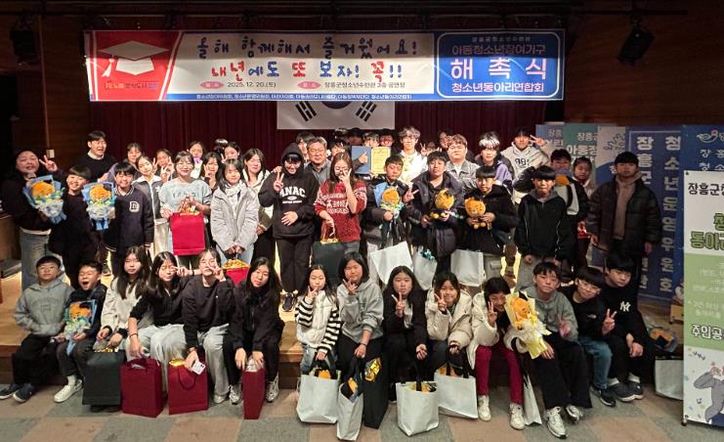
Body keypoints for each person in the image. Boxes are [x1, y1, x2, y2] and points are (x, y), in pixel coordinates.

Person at [520, 262, 590, 439]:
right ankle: (552, 408)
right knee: (547, 356)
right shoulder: (523, 296)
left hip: (555, 335)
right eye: (543, 277)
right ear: (534, 278)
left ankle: (574, 401)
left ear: (558, 284)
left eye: (553, 279)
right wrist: (540, 343)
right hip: (529, 339)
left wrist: (567, 330)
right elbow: (521, 327)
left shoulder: (562, 300)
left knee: (576, 350)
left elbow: (573, 331)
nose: (548, 282)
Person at [0, 256, 73, 403]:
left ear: (58, 271)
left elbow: (72, 312)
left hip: (58, 334)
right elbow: (19, 314)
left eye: (51, 267)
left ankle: (32, 385)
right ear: (36, 272)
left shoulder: (67, 290)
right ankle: (18, 382)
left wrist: (63, 330)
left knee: (50, 356)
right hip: (37, 331)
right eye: (42, 268)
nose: (47, 270)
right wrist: (34, 326)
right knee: (21, 354)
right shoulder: (29, 292)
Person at [86, 246, 150, 411]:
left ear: (143, 262)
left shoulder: (148, 283)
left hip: (138, 328)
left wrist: (122, 332)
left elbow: (143, 315)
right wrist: (107, 327)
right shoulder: (116, 282)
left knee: (126, 346)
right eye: (128, 261)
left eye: (136, 261)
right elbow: (108, 309)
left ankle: (123, 394)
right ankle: (102, 396)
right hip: (116, 326)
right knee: (99, 346)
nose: (131, 265)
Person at [587, 151, 662, 291]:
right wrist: (594, 231)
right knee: (610, 272)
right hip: (610, 240)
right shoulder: (605, 189)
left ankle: (629, 301)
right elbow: (592, 211)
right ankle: (609, 300)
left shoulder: (645, 193)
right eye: (622, 164)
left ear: (637, 168)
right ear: (615, 167)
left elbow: (653, 218)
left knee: (631, 274)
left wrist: (650, 240)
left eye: (630, 164)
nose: (626, 167)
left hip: (635, 241)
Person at [258, 143, 319, 311]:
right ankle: (290, 293)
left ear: (301, 162)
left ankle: (301, 294)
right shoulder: (275, 176)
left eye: (296, 162)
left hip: (303, 230)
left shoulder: (309, 178)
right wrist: (274, 190)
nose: (292, 166)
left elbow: (315, 204)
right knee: (285, 264)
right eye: (289, 162)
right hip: (282, 232)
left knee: (302, 264)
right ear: (283, 161)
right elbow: (263, 200)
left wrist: (297, 214)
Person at [561, 267, 632, 407]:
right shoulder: (563, 294)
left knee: (604, 351)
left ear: (598, 291)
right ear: (577, 281)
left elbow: (596, 333)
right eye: (585, 284)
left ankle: (600, 385)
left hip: (585, 336)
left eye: (594, 288)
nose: (588, 289)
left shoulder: (598, 307)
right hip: (563, 334)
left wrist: (604, 329)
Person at [336, 252, 387, 427]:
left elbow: (372, 318)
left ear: (363, 268)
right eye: (348, 268)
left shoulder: (373, 288)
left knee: (371, 369)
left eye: (355, 267)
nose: (352, 271)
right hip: (350, 333)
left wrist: (364, 343)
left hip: (371, 336)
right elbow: (347, 318)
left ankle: (371, 411)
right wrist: (351, 297)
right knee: (347, 361)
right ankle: (349, 408)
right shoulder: (341, 289)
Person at [126, 252, 191, 389]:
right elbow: (133, 315)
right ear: (156, 271)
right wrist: (134, 338)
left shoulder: (183, 283)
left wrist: (189, 272)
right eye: (164, 268)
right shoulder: (151, 289)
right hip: (158, 327)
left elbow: (203, 273)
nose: (168, 271)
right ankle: (142, 385)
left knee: (158, 341)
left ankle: (163, 387)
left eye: (171, 267)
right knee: (129, 342)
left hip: (178, 326)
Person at [224, 257, 284, 404]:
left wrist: (257, 347)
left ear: (270, 276)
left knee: (270, 345)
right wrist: (238, 346)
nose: (260, 277)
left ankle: (272, 379)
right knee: (228, 343)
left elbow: (266, 323)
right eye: (257, 272)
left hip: (269, 329)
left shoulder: (273, 293)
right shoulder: (240, 289)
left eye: (265, 274)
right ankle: (234, 383)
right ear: (250, 272)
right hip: (246, 328)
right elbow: (236, 319)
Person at [467, 277, 524, 429]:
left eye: (502, 297)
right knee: (483, 353)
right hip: (485, 338)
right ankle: (483, 396)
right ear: (487, 297)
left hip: (505, 338)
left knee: (513, 356)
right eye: (494, 298)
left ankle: (516, 404)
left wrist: (520, 327)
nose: (499, 302)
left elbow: (514, 334)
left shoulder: (514, 304)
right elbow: (481, 339)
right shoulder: (479, 304)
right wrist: (490, 323)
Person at [179, 248, 235, 404]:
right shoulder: (191, 287)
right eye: (203, 261)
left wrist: (222, 281)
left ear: (218, 264)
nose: (207, 265)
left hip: (220, 326)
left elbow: (228, 310)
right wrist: (192, 348)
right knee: (175, 342)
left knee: (212, 344)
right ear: (198, 266)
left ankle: (221, 389)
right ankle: (182, 388)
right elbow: (189, 320)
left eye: (212, 261)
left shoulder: (226, 282)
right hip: (199, 329)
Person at [1, 149, 61, 290]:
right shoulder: (11, 184)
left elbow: (63, 192)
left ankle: (57, 298)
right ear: (16, 164)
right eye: (23, 160)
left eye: (33, 158)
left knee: (57, 269)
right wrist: (38, 212)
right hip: (31, 234)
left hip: (54, 233)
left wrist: (55, 172)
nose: (29, 162)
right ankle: (32, 302)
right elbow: (15, 210)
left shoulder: (47, 178)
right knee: (33, 272)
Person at [599, 253, 655, 400]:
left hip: (624, 326)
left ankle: (634, 376)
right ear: (607, 270)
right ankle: (611, 380)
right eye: (619, 273)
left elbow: (633, 314)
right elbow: (601, 318)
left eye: (627, 274)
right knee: (616, 343)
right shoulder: (599, 287)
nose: (623, 278)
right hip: (605, 327)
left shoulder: (629, 288)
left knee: (645, 341)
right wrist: (626, 335)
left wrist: (637, 337)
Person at [500, 128, 549, 285]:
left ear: (529, 139)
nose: (521, 140)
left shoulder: (537, 153)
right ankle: (509, 265)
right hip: (512, 200)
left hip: (533, 200)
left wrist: (545, 146)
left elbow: (555, 160)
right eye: (518, 137)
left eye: (525, 137)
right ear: (514, 139)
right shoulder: (506, 153)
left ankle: (533, 267)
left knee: (532, 232)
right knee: (512, 234)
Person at [53, 261, 107, 403]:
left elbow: (102, 319)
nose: (84, 277)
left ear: (99, 276)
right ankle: (73, 381)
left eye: (89, 274)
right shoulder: (75, 295)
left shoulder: (103, 293)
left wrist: (87, 333)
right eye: (81, 274)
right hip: (75, 332)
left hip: (96, 333)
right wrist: (65, 333)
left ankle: (91, 379)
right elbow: (69, 317)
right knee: (61, 349)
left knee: (80, 350)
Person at [514, 166, 573, 291]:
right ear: (533, 181)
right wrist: (525, 251)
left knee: (548, 288)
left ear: (553, 182)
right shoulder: (526, 201)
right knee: (524, 288)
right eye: (539, 180)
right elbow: (520, 227)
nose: (543, 183)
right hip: (530, 255)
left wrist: (558, 256)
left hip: (551, 256)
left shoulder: (559, 202)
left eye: (547, 180)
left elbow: (564, 230)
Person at [407, 151, 464, 273]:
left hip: (447, 238)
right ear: (427, 165)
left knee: (445, 277)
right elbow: (409, 208)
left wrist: (450, 217)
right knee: (422, 278)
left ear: (445, 166)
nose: (436, 166)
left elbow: (461, 210)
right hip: (423, 237)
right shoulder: (417, 184)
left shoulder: (455, 187)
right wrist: (420, 218)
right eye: (432, 163)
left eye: (439, 163)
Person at [362, 154, 414, 283]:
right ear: (385, 168)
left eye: (398, 168)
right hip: (375, 233)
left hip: (393, 233)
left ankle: (388, 293)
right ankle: (374, 293)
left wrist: (405, 202)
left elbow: (405, 215)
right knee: (373, 269)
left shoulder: (403, 188)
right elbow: (366, 209)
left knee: (390, 269)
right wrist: (382, 214)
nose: (395, 171)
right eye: (392, 167)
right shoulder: (373, 186)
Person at [461, 165, 518, 279]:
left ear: (493, 179)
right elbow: (460, 217)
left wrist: (495, 217)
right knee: (472, 282)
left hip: (493, 246)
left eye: (486, 180)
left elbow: (514, 220)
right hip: (473, 247)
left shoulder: (502, 196)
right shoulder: (470, 196)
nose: (483, 183)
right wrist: (467, 220)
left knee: (493, 281)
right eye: (479, 180)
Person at [48, 165, 97, 289]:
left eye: (80, 179)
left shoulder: (90, 198)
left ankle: (93, 298)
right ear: (67, 178)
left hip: (87, 245)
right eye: (72, 177)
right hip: (67, 245)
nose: (75, 181)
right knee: (72, 275)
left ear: (86, 182)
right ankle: (77, 297)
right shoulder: (58, 197)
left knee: (88, 275)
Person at [382, 266, 428, 399]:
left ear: (412, 283)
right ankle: (393, 383)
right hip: (394, 334)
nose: (402, 284)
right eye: (398, 280)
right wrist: (398, 314)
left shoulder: (419, 297)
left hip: (412, 332)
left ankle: (418, 383)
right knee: (397, 343)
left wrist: (421, 343)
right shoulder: (387, 297)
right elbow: (388, 327)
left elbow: (420, 323)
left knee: (419, 347)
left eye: (406, 280)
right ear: (392, 282)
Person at [159, 151, 212, 262]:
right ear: (175, 166)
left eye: (188, 163)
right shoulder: (167, 187)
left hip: (198, 233)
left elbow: (210, 209)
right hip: (176, 234)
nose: (185, 166)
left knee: (200, 266)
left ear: (193, 166)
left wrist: (196, 204)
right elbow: (163, 208)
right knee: (179, 267)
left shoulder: (201, 185)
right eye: (181, 163)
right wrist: (165, 212)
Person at [103, 161, 154, 275]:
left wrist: (148, 241)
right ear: (115, 177)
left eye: (128, 175)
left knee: (138, 273)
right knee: (118, 273)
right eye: (120, 175)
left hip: (136, 242)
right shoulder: (108, 196)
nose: (124, 179)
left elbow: (148, 219)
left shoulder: (140, 196)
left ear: (133, 177)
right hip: (115, 243)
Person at [314, 152, 367, 253]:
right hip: (330, 236)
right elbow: (319, 206)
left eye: (344, 169)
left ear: (350, 168)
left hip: (350, 238)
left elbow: (355, 209)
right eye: (338, 168)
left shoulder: (358, 184)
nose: (341, 172)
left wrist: (347, 185)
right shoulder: (326, 185)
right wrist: (327, 217)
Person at [210, 158, 259, 265]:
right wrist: (227, 244)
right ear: (224, 174)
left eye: (236, 171)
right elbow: (217, 221)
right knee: (225, 274)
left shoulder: (249, 193)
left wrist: (242, 243)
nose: (233, 174)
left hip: (246, 245)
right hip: (224, 245)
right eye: (229, 171)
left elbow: (251, 219)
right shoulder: (218, 195)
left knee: (244, 273)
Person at [294, 264, 342, 375]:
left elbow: (334, 325)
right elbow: (303, 322)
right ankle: (303, 380)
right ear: (308, 279)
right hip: (307, 341)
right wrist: (308, 300)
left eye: (321, 278)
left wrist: (324, 347)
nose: (317, 282)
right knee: (308, 361)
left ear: (326, 280)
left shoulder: (331, 299)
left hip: (324, 340)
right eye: (313, 278)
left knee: (331, 362)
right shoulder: (301, 298)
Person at [425, 271, 473, 377]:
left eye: (451, 289)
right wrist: (442, 312)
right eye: (443, 289)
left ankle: (456, 383)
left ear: (457, 290)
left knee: (456, 352)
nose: (448, 293)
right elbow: (437, 335)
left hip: (458, 340)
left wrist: (455, 342)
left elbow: (465, 329)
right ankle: (434, 379)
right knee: (442, 348)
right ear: (437, 290)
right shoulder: (431, 302)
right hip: (436, 341)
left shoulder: (465, 301)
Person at [243, 148, 275, 267]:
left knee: (264, 263)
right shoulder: (239, 179)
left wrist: (263, 225)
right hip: (243, 230)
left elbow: (271, 203)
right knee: (246, 265)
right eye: (252, 160)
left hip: (263, 229)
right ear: (246, 161)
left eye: (259, 161)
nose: (256, 164)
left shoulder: (269, 178)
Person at [134, 155, 168, 256]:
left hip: (161, 222)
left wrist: (165, 183)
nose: (145, 167)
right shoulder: (135, 185)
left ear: (152, 164)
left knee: (163, 252)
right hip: (145, 226)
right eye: (141, 166)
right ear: (138, 169)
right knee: (149, 254)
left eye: (147, 164)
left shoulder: (161, 181)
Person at [571, 157, 595, 269]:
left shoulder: (593, 188)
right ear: (574, 169)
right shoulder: (566, 184)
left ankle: (580, 275)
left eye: (587, 170)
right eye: (580, 168)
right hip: (568, 225)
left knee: (581, 254)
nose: (583, 172)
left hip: (584, 226)